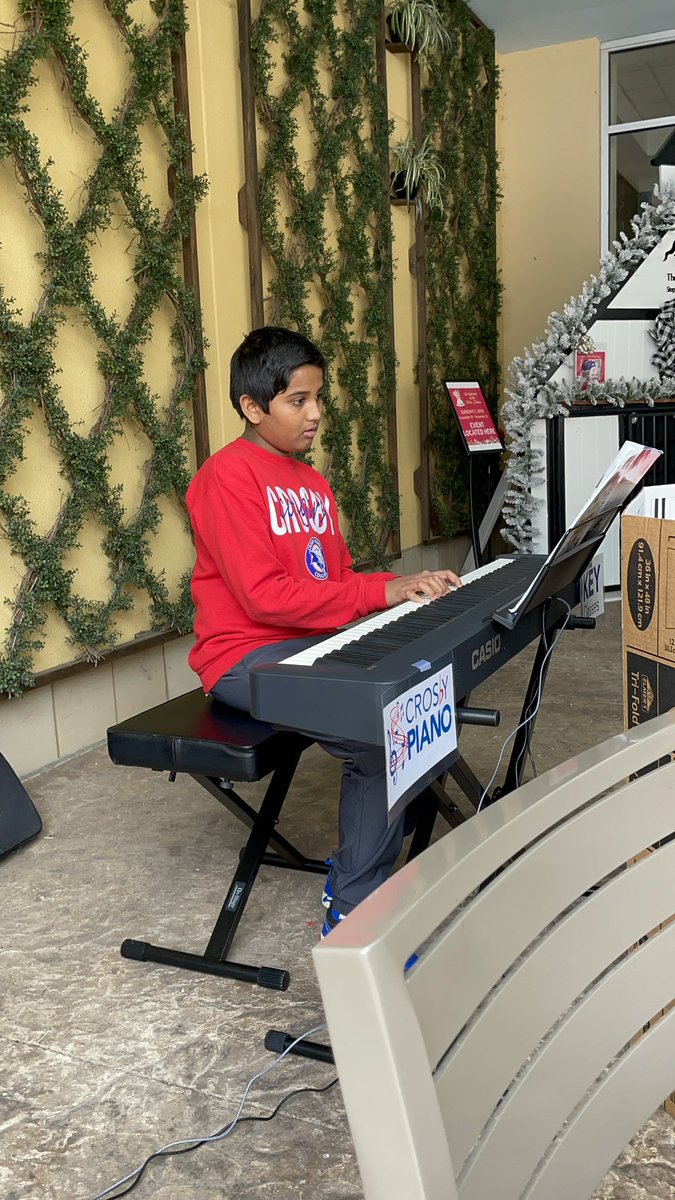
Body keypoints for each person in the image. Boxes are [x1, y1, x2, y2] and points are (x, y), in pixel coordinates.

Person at [186, 326, 461, 935]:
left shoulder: (309, 481)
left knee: (420, 688)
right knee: (379, 734)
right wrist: (380, 591)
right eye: (298, 401)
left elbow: (334, 582)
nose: (315, 414)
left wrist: (405, 587)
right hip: (243, 657)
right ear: (252, 407)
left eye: (319, 398)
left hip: (307, 645)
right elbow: (264, 597)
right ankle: (355, 912)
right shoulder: (227, 477)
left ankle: (386, 859)